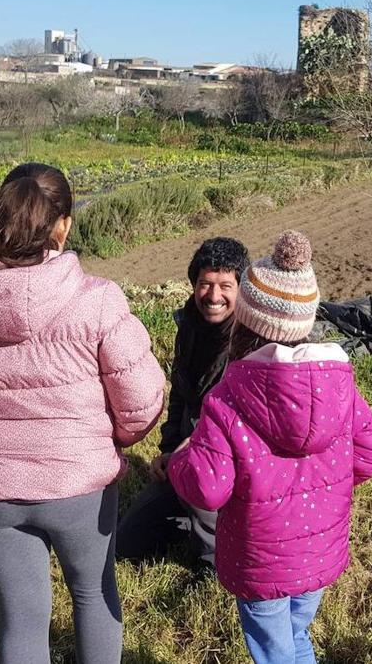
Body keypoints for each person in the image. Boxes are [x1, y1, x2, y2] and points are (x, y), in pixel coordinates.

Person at [0, 162, 166, 664]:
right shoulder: (99, 301)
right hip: (80, 486)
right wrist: (112, 441)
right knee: (93, 595)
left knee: (20, 620)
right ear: (62, 225)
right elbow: (141, 402)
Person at [167, 230, 372, 664]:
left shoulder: (229, 396)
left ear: (245, 323)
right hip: (320, 554)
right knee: (296, 635)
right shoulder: (339, 386)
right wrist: (332, 478)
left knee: (273, 652)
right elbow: (371, 454)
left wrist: (179, 462)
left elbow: (208, 489)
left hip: (260, 561)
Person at [116, 236, 249, 566]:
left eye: (225, 286)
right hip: (185, 455)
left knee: (211, 556)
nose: (213, 296)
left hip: (229, 460)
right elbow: (179, 396)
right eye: (205, 284)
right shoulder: (188, 325)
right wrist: (168, 449)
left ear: (241, 289)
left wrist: (188, 451)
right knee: (126, 542)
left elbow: (238, 421)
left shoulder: (249, 340)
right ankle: (192, 515)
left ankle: (216, 559)